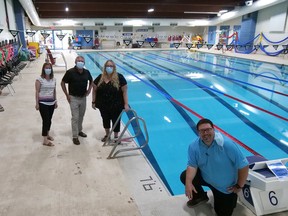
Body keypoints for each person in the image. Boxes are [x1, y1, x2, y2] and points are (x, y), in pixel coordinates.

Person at [180, 118, 249, 216]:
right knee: (185, 176)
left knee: (222, 213)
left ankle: (231, 199)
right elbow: (192, 165)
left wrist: (239, 185)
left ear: (214, 129)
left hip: (225, 187)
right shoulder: (194, 146)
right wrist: (188, 183)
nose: (205, 133)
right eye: (202, 131)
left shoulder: (227, 145)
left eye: (208, 129)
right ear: (198, 133)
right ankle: (200, 196)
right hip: (207, 178)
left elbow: (244, 166)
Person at [92, 59, 129, 142]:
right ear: (105, 67)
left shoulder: (120, 77)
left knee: (116, 120)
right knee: (105, 119)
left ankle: (116, 137)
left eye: (111, 66)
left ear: (114, 67)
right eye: (107, 66)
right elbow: (94, 89)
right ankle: (107, 135)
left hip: (116, 104)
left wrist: (126, 104)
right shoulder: (100, 77)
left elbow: (124, 92)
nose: (109, 67)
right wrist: (93, 101)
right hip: (103, 104)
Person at [61, 55, 93, 145]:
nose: (80, 62)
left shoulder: (87, 72)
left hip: (83, 98)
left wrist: (89, 90)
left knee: (81, 116)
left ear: (84, 63)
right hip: (73, 98)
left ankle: (79, 131)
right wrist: (67, 94)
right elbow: (62, 83)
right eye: (78, 60)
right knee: (75, 117)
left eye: (82, 61)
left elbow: (91, 80)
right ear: (75, 62)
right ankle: (75, 136)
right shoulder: (70, 72)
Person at [35, 62, 57, 146]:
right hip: (43, 103)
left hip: (51, 102)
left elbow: (54, 91)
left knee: (49, 120)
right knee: (46, 120)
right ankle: (45, 140)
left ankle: (47, 134)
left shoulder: (53, 79)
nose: (48, 69)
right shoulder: (39, 79)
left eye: (49, 68)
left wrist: (55, 101)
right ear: (43, 69)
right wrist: (37, 103)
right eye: (46, 68)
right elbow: (37, 91)